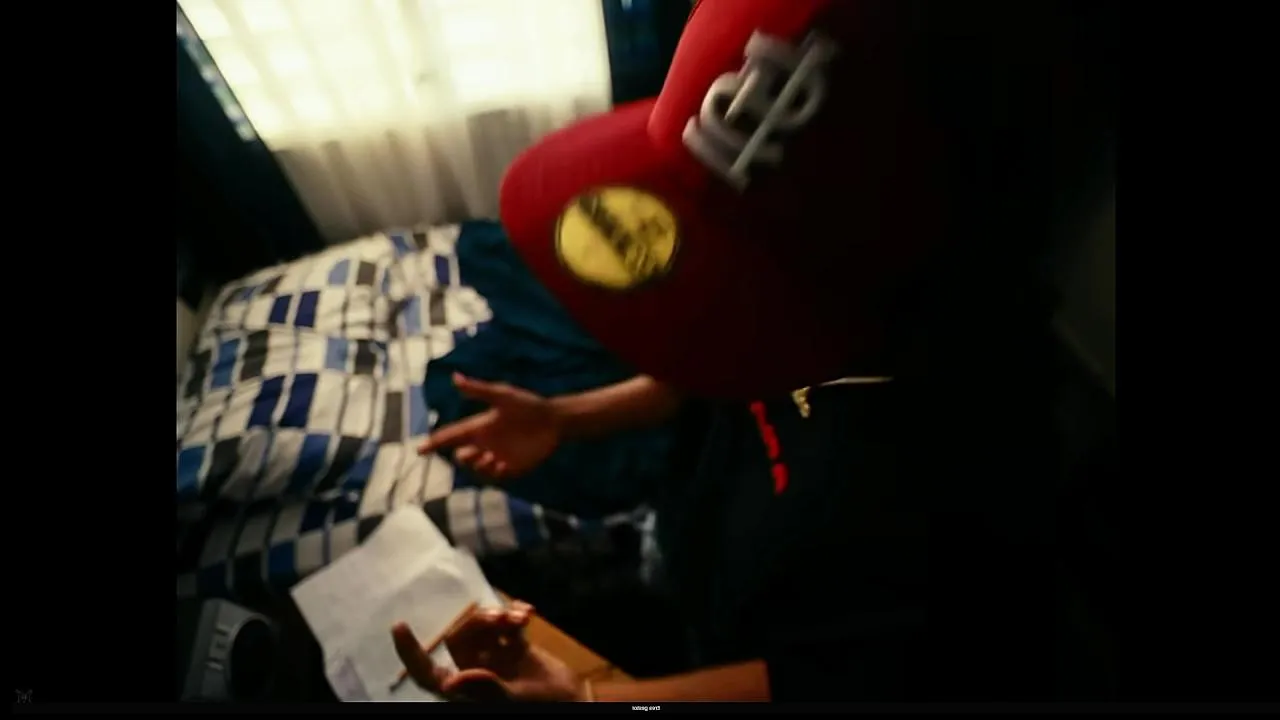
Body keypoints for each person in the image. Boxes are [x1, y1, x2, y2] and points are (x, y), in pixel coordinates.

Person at [392, 0, 1113, 702]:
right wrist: (563, 417)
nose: (703, 313)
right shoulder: (824, 308)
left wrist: (591, 701)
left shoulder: (953, 498)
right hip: (692, 562)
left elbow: (812, 679)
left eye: (744, 272)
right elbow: (709, 363)